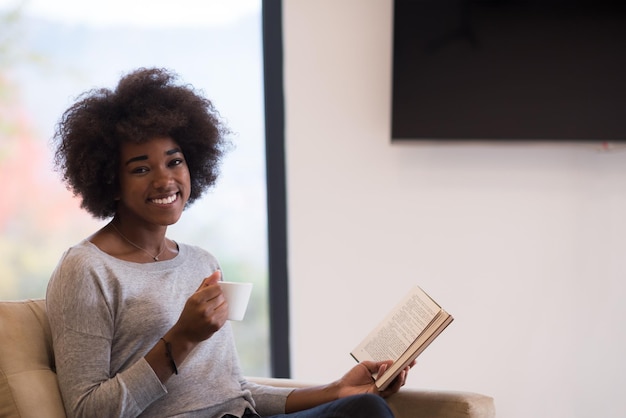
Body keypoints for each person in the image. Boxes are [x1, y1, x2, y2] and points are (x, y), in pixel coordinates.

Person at [47, 67, 412, 418]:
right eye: (141, 169)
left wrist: (336, 391)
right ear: (110, 181)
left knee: (363, 408)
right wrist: (181, 339)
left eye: (174, 161)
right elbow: (88, 411)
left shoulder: (200, 263)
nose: (164, 180)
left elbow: (234, 391)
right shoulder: (86, 268)